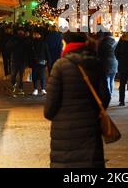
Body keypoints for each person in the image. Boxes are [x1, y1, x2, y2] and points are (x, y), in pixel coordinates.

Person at [44, 32, 110, 168]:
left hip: (64, 135)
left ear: (66, 43)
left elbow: (49, 109)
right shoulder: (96, 63)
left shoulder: (60, 66)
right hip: (90, 130)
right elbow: (105, 97)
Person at [6, 27, 29, 96]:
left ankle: (21, 89)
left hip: (22, 60)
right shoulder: (13, 38)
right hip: (15, 59)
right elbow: (8, 47)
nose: (20, 32)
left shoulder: (26, 39)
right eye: (19, 31)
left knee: (22, 76)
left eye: (22, 31)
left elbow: (29, 49)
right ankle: (13, 85)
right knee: (13, 75)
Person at [30, 27, 51, 96]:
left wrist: (48, 61)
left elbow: (47, 52)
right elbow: (29, 53)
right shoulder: (32, 42)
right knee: (34, 76)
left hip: (42, 61)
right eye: (34, 34)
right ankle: (35, 89)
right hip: (34, 61)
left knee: (42, 75)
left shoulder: (44, 43)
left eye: (36, 34)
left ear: (40, 35)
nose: (35, 35)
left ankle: (43, 89)